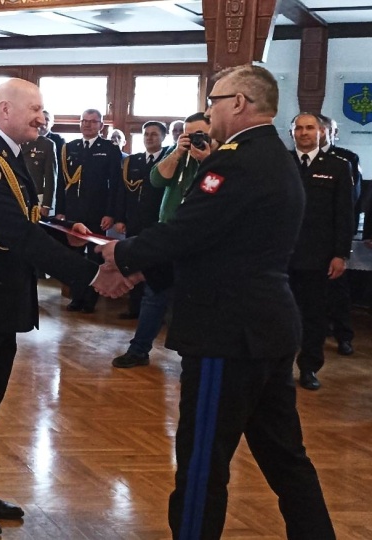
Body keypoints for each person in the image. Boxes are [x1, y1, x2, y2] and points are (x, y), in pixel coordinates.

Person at [99, 65, 335, 540]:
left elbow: (190, 230)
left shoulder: (237, 160)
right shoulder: (275, 157)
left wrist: (122, 253)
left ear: (240, 103)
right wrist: (144, 269)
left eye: (214, 101)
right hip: (267, 329)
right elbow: (220, 245)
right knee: (286, 458)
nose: (209, 111)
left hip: (226, 336)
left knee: (203, 461)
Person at [0, 78, 132, 538]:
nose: (43, 117)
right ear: (5, 109)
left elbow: (28, 216)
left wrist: (67, 229)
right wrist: (90, 273)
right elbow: (10, 233)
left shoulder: (7, 155)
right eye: (36, 109)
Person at [112, 112, 213, 368]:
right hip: (168, 236)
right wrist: (179, 152)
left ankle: (192, 356)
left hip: (199, 242)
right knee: (153, 294)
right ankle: (139, 350)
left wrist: (207, 160)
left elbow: (217, 190)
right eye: (188, 134)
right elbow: (157, 179)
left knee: (192, 300)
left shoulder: (219, 159)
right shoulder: (174, 153)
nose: (193, 139)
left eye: (199, 134)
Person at [288, 112, 353, 391]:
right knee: (280, 315)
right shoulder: (281, 163)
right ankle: (277, 367)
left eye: (309, 128)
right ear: (292, 133)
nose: (304, 133)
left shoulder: (338, 166)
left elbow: (344, 215)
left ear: (322, 132)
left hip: (319, 257)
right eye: (299, 128)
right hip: (282, 255)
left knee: (315, 317)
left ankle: (309, 368)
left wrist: (341, 254)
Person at [54, 108, 123, 313]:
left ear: (101, 126)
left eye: (93, 122)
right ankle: (76, 297)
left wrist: (111, 213)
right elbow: (62, 183)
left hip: (97, 213)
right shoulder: (70, 147)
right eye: (85, 121)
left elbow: (116, 185)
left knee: (94, 258)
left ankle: (90, 300)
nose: (88, 125)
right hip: (73, 213)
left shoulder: (109, 148)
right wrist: (60, 211)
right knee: (73, 258)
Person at [112, 121, 167, 319]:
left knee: (154, 267)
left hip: (157, 223)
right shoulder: (132, 161)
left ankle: (155, 313)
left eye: (154, 134)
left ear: (163, 137)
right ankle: (134, 308)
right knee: (134, 264)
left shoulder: (169, 159)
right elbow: (122, 193)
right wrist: (120, 218)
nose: (149, 138)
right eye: (146, 134)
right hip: (134, 221)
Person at [317, 114, 361, 357]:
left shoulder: (346, 158)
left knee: (338, 291)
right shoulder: (293, 159)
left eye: (326, 129)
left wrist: (343, 244)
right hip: (305, 239)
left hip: (333, 236)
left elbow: (351, 201)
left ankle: (344, 336)